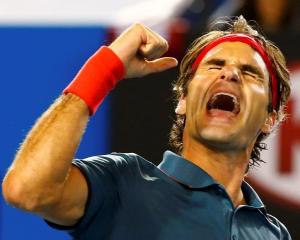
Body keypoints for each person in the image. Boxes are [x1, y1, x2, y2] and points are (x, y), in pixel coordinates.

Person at [2, 16, 292, 239]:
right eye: (214, 66)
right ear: (183, 100)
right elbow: (27, 190)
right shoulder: (123, 181)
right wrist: (104, 69)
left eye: (250, 72)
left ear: (271, 117)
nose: (229, 73)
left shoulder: (273, 233)